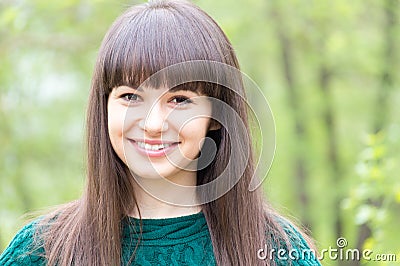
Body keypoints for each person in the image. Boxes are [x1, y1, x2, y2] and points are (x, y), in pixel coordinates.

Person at [0, 0, 321, 265]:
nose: (153, 124)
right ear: (105, 107)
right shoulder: (40, 252)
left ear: (217, 115)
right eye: (130, 96)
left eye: (179, 100)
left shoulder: (280, 252)